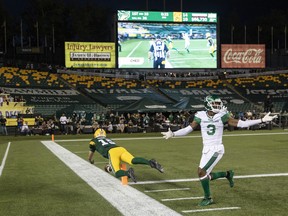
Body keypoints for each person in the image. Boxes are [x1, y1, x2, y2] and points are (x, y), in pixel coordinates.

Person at [161, 95, 277, 206]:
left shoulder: (222, 116)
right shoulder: (200, 115)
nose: (217, 106)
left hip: (217, 149)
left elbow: (241, 124)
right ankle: (227, 174)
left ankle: (208, 198)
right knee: (205, 175)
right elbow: (188, 129)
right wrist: (173, 134)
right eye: (214, 104)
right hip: (206, 149)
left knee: (201, 172)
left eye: (218, 104)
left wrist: (261, 120)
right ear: (208, 104)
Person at [88, 128, 164, 183]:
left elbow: (91, 152)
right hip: (120, 149)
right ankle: (150, 162)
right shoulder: (108, 139)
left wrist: (90, 160)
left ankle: (128, 173)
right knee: (132, 160)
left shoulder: (93, 141)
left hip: (112, 152)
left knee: (117, 173)